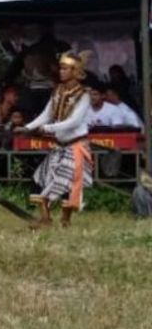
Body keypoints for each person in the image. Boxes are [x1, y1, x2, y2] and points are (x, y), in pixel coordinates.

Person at [25, 53, 94, 228]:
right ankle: (46, 219)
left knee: (65, 183)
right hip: (60, 145)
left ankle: (65, 220)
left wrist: (48, 129)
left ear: (75, 71)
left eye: (65, 68)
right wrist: (27, 128)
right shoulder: (57, 91)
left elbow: (74, 122)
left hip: (76, 145)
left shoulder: (84, 95)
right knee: (45, 178)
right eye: (61, 68)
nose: (61, 72)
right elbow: (46, 115)